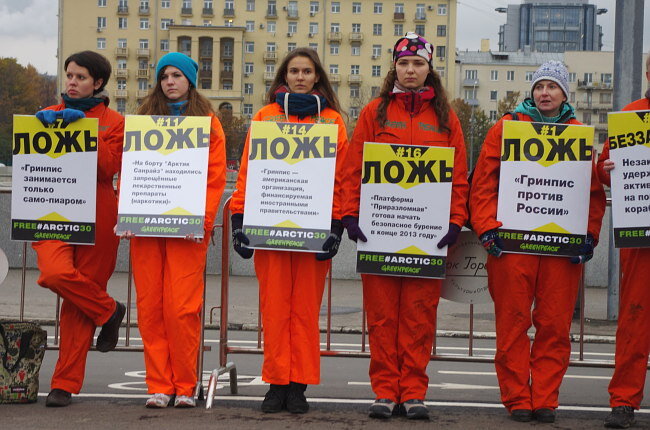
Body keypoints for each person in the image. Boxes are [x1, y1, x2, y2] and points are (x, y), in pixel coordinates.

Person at [469, 60, 606, 423]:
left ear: (564, 94)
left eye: (552, 87)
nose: (544, 93)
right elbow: (483, 182)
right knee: (512, 325)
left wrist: (588, 237)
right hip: (511, 247)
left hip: (560, 252)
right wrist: (486, 229)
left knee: (555, 326)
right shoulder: (507, 128)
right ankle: (517, 398)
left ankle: (544, 398)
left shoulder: (576, 133)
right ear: (531, 92)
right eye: (539, 86)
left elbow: (591, 193)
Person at [341, 32, 469, 420]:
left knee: (418, 317)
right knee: (382, 318)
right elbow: (353, 168)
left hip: (427, 238)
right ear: (393, 67)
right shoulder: (374, 112)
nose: (410, 70)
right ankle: (384, 392)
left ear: (430, 69)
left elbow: (459, 175)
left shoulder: (446, 118)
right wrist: (350, 212)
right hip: (380, 233)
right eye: (403, 63)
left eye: (418, 63)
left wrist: (455, 220)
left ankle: (412, 391)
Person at [230, 47, 348, 414]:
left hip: (314, 230)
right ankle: (276, 383)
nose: (300, 77)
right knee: (276, 310)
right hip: (271, 230)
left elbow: (340, 180)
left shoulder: (332, 122)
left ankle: (299, 386)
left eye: (307, 71)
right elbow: (248, 172)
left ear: (317, 77)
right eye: (294, 71)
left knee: (305, 313)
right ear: (284, 76)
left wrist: (335, 226)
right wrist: (238, 219)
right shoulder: (265, 117)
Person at [123, 52, 226, 408]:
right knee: (150, 308)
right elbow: (131, 171)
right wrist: (127, 214)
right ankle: (158, 385)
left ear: (190, 81)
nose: (170, 81)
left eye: (177, 75)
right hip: (147, 230)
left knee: (182, 309)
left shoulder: (209, 123)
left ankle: (185, 384)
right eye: (164, 75)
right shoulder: (143, 121)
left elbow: (215, 179)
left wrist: (202, 222)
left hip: (186, 231)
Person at [33, 50, 126, 407]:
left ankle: (64, 384)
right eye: (69, 75)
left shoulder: (115, 122)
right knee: (55, 274)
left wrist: (82, 129)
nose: (71, 82)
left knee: (75, 307)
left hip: (99, 210)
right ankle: (108, 310)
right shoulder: (45, 117)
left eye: (80, 77)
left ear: (97, 83)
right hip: (53, 209)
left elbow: (108, 168)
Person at [597, 55, 650, 429]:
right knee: (635, 320)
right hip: (642, 240)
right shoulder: (631, 116)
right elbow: (604, 167)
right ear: (649, 73)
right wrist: (608, 169)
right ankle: (624, 401)